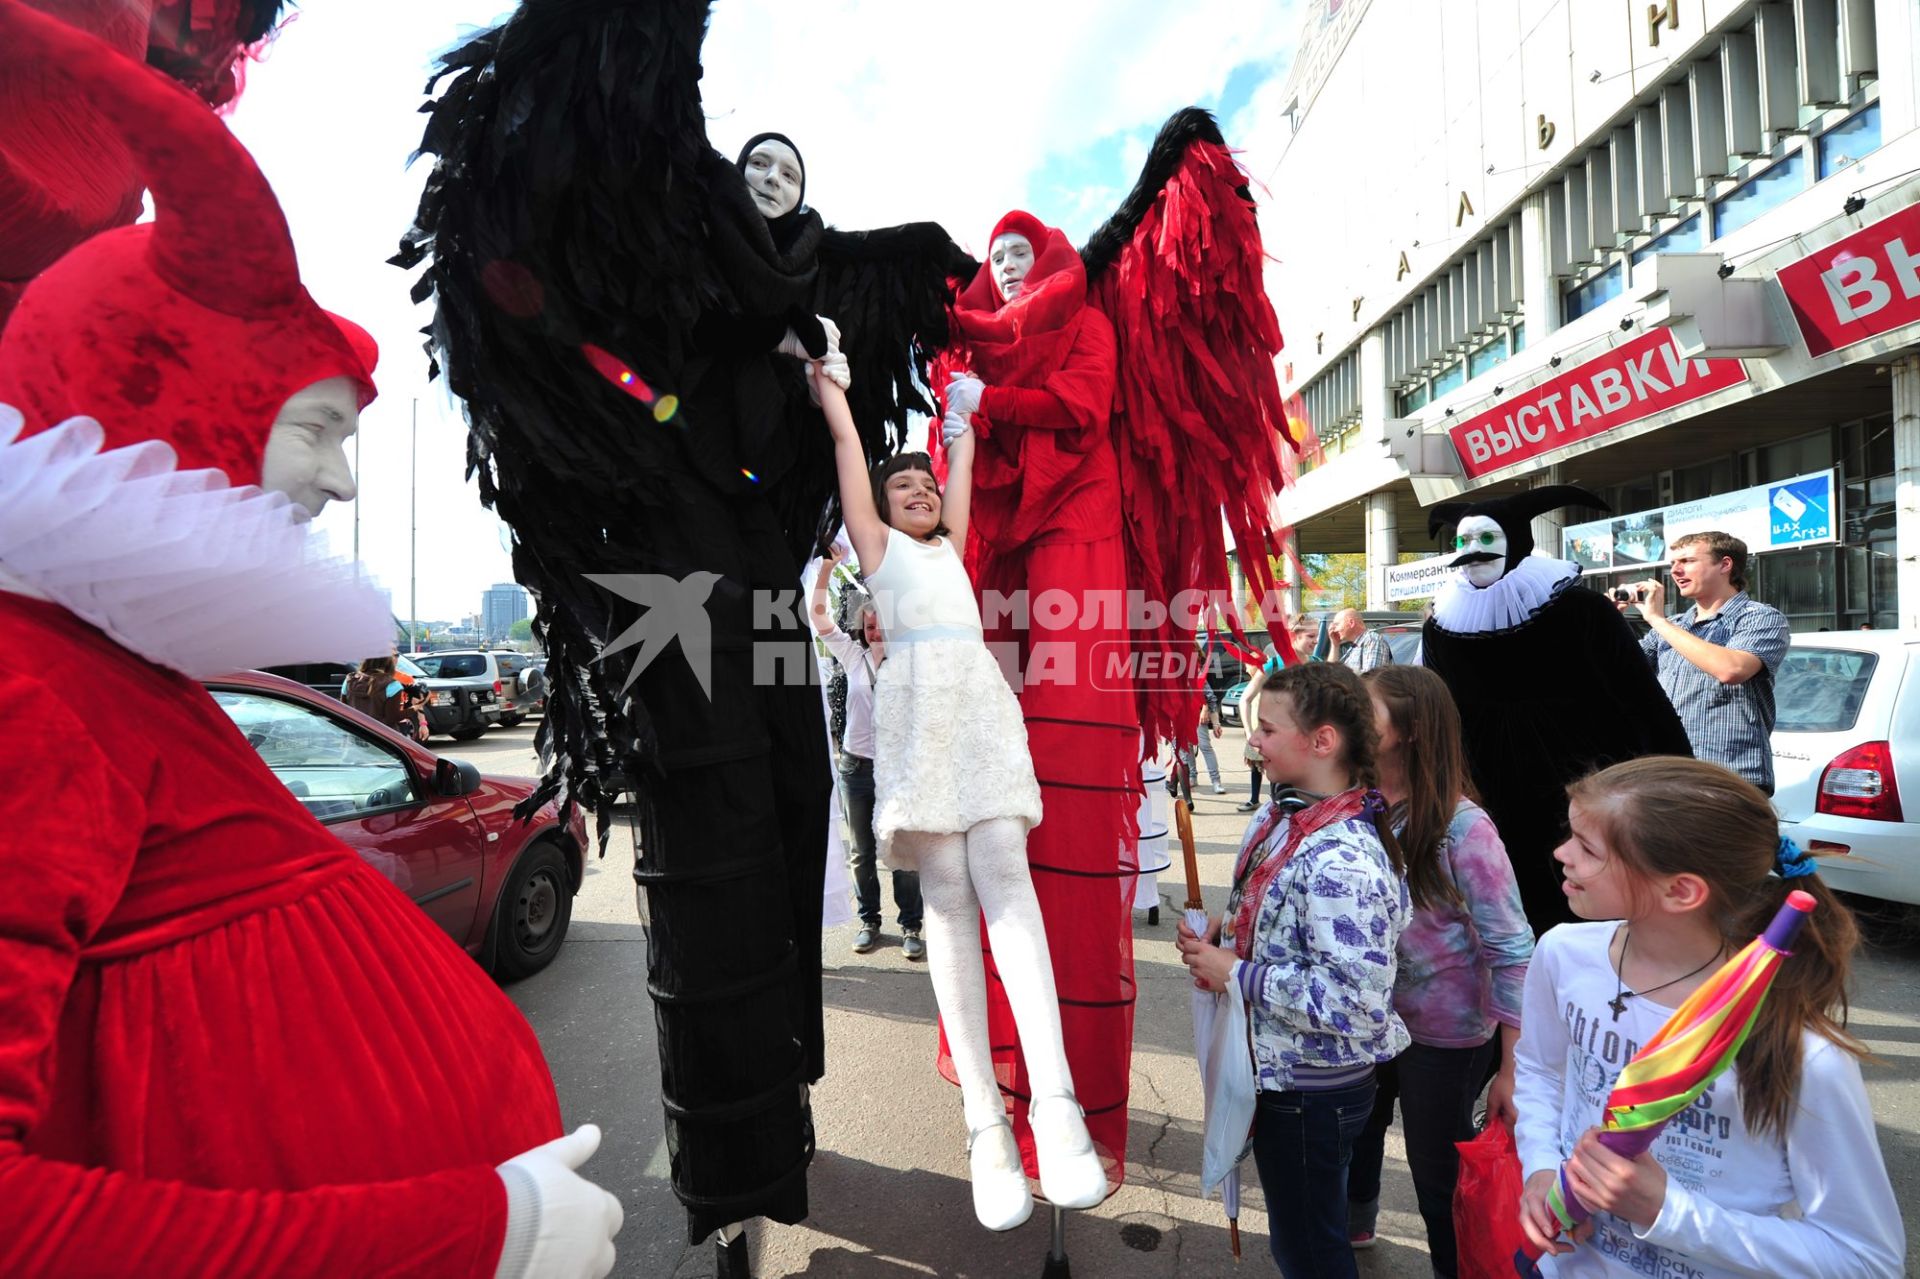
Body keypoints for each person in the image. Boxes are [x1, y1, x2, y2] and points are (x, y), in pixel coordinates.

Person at [0, 7, 621, 1274]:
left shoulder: (119, 675)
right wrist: (471, 1235)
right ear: (183, 407)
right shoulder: (28, 699)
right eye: (319, 431)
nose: (337, 486)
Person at [820, 362, 1107, 1233]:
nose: (915, 489)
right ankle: (986, 1121)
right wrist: (835, 381)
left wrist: (962, 416)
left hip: (978, 702)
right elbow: (844, 445)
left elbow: (965, 459)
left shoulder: (953, 538)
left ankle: (1055, 1107)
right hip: (915, 706)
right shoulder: (877, 549)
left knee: (1006, 878)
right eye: (898, 483)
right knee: (946, 898)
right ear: (878, 504)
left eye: (922, 483)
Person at [1514, 756, 1903, 1275]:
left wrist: (1667, 1212)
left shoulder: (1803, 1050)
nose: (1562, 854)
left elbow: (1866, 1259)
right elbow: (1541, 1071)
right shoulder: (1563, 953)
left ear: (1681, 891)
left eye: (1588, 849)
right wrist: (1540, 1170)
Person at [1176, 661, 1409, 1279]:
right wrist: (1225, 935)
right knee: (1302, 1232)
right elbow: (1281, 922)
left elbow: (1357, 1001)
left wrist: (1237, 973)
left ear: (1323, 741)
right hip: (1282, 1072)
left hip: (1311, 1090)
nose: (1251, 739)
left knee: (1309, 1248)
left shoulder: (1342, 858)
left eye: (1268, 730)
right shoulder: (1285, 817)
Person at [1421, 487, 1692, 933]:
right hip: (1488, 790)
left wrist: (1678, 781)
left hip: (1581, 781)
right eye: (1462, 543)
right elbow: (1438, 713)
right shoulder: (1445, 626)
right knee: (1505, 909)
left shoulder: (1582, 610)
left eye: (1485, 540)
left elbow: (1640, 697)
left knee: (1590, 901)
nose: (1471, 554)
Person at [1346, 666, 1533, 1271]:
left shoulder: (1463, 826)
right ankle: (1355, 1229)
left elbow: (1511, 949)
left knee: (1437, 1176)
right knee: (1358, 1134)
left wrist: (1512, 1067)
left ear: (1413, 730)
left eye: (1364, 713)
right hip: (1370, 1018)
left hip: (1447, 1036)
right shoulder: (1355, 804)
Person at [809, 546, 923, 960]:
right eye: (870, 625)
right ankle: (869, 920)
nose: (875, 632)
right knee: (862, 851)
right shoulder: (853, 657)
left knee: (903, 848)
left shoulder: (909, 661)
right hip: (856, 766)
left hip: (898, 769)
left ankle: (911, 924)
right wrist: (826, 570)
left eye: (881, 625)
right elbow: (819, 617)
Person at [1619, 531, 1790, 794]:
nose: (1675, 571)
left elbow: (1732, 669)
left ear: (1725, 565)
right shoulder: (1674, 626)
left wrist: (1657, 620)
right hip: (1668, 774)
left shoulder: (1760, 617)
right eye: (1673, 564)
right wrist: (1607, 622)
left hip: (1728, 777)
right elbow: (1619, 673)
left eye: (1686, 561)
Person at [343, 654, 430, 742]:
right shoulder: (392, 684)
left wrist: (423, 724)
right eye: (394, 655)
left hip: (355, 735)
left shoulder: (349, 680)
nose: (396, 658)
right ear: (387, 660)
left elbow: (343, 710)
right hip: (383, 737)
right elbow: (392, 718)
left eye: (397, 655)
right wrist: (419, 704)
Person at [1174, 691, 1228, 798]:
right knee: (1186, 747)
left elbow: (1210, 697)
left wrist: (1213, 720)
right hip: (1179, 714)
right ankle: (1192, 777)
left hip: (1197, 714)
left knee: (1205, 747)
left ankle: (1216, 781)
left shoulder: (1198, 675)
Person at [1235, 665, 1271, 813]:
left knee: (1274, 768)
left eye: (1249, 665)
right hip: (1254, 733)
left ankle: (1276, 801)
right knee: (1255, 767)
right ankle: (1254, 799)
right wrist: (1248, 731)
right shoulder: (1252, 685)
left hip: (1266, 733)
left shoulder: (1267, 685)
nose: (1246, 668)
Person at [1331, 608, 1392, 672]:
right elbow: (1331, 672)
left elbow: (1371, 678)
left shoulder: (1372, 640)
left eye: (1337, 624)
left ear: (1351, 623)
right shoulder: (1355, 645)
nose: (1335, 630)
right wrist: (1335, 645)